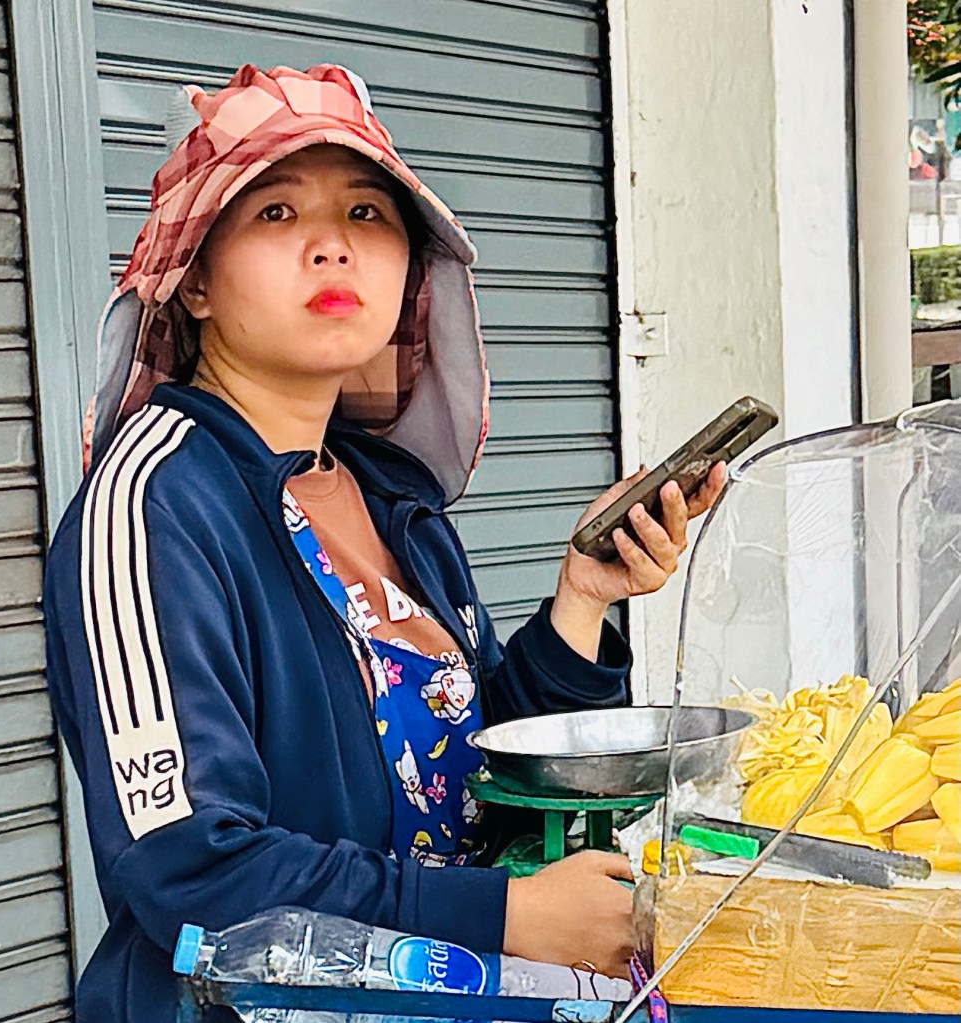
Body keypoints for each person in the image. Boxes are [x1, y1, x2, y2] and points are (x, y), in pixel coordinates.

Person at [43, 64, 725, 1023]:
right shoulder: (153, 503)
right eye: (276, 212)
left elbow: (476, 784)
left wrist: (583, 599)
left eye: (366, 213)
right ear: (194, 281)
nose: (333, 245)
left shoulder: (391, 496)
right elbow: (187, 862)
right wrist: (506, 915)